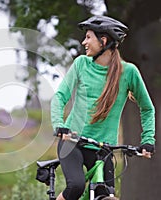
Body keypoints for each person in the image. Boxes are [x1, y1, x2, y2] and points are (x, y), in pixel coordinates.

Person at [51, 15, 155, 200]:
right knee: (75, 186)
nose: (84, 42)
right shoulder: (81, 64)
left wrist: (148, 139)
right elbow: (60, 97)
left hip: (103, 148)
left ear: (103, 41)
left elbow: (147, 108)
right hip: (73, 141)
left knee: (106, 195)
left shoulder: (128, 72)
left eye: (88, 37)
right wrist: (59, 124)